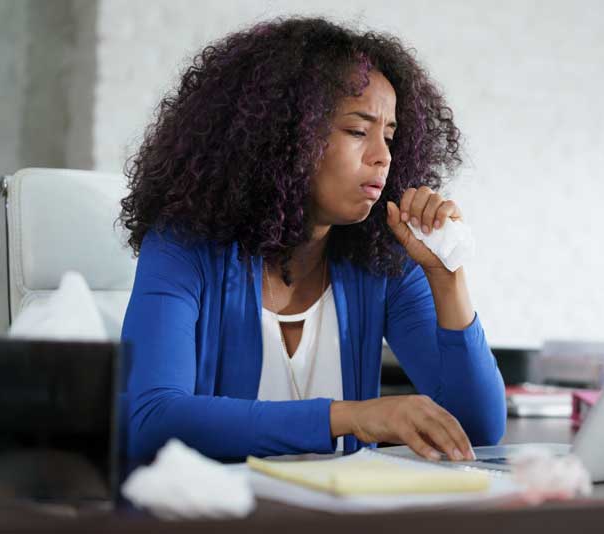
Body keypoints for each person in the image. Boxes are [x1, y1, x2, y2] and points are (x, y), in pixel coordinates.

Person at [119, 16, 505, 462]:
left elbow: (478, 428)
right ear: (285, 135)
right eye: (358, 132)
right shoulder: (183, 248)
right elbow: (151, 421)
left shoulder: (380, 263)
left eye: (390, 137)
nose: (382, 157)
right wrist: (351, 418)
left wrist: (447, 277)